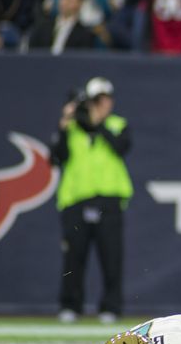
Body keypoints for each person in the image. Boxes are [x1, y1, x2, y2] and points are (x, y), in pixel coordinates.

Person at [49, 77, 132, 324]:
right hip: (76, 200)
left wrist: (99, 124)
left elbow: (121, 147)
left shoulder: (118, 124)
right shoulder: (72, 128)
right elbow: (56, 157)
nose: (100, 105)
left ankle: (110, 307)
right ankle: (70, 306)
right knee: (74, 257)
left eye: (103, 99)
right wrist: (65, 123)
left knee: (111, 257)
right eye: (95, 100)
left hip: (109, 200)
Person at [27, 0, 95, 53]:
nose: (64, 2)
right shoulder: (42, 27)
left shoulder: (85, 34)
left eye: (69, 0)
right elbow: (31, 52)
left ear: (79, 3)